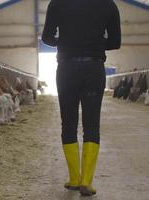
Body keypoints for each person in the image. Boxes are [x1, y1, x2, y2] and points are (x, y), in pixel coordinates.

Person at [42, 0, 121, 196]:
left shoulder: (57, 3)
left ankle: (74, 178)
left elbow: (46, 38)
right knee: (92, 125)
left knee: (68, 123)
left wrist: (67, 41)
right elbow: (115, 42)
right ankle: (87, 181)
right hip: (93, 69)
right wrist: (93, 42)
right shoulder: (108, 4)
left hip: (66, 68)